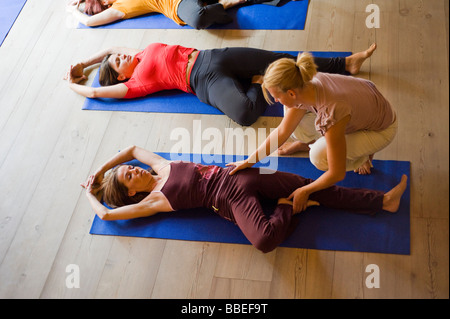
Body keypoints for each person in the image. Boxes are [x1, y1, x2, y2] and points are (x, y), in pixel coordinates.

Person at [81, 145, 408, 253]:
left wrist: (99, 171)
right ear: (132, 192)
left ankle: (381, 201)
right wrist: (89, 195)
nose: (134, 170)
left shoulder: (160, 164)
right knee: (264, 240)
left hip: (241, 175)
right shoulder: (153, 199)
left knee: (313, 187)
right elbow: (108, 217)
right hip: (229, 200)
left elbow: (131, 149)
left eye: (129, 169)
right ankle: (285, 206)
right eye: (128, 177)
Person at [227, 44, 398, 213]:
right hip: (364, 108)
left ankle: (363, 156)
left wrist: (306, 190)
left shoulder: (331, 111)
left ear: (291, 93)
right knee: (293, 124)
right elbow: (282, 132)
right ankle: (315, 142)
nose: (276, 101)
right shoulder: (305, 83)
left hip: (380, 130)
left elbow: (336, 173)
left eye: (277, 97)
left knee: (318, 156)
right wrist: (248, 161)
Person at [64, 42, 375, 126]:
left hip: (213, 57)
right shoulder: (135, 84)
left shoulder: (140, 53)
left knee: (281, 59)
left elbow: (106, 49)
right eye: (118, 62)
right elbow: (93, 91)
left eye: (119, 56)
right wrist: (71, 85)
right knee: (243, 114)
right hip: (202, 80)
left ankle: (345, 64)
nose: (120, 55)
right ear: (121, 76)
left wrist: (83, 64)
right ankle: (259, 84)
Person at [66, 0, 268, 30]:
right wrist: (74, 11)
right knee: (198, 18)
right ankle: (227, 2)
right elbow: (90, 22)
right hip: (176, 4)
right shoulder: (120, 8)